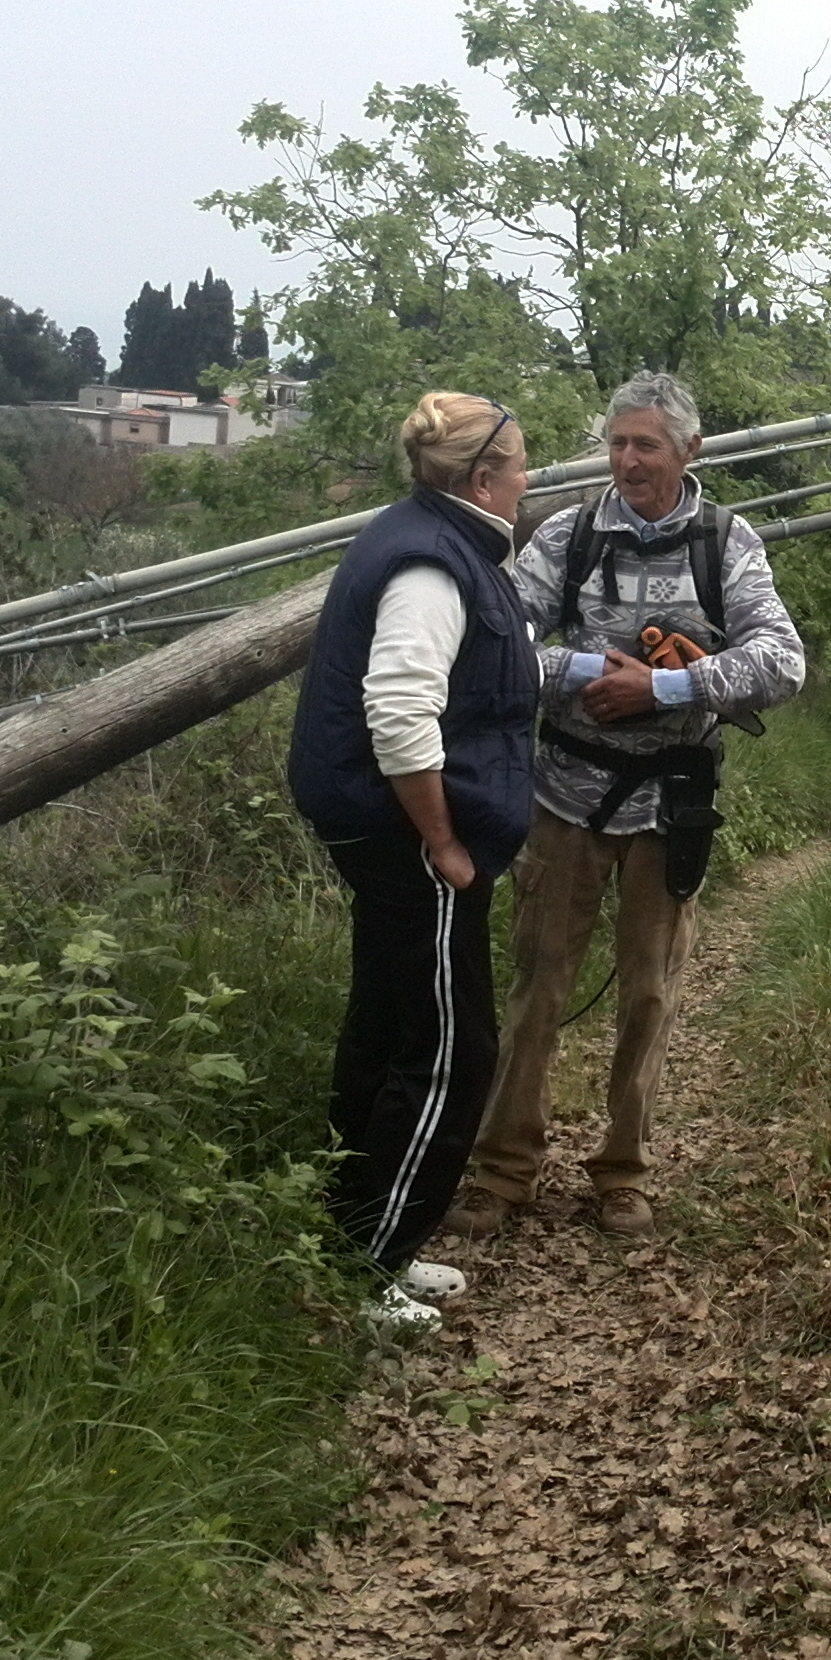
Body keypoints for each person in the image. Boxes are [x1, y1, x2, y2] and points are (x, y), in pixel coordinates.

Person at [447, 369, 806, 1239]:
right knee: (538, 985)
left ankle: (623, 1172)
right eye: (617, 444)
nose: (629, 461)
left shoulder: (727, 544)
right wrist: (577, 671)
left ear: (690, 450)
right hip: (563, 798)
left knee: (649, 993)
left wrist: (665, 687)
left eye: (647, 445)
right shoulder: (567, 536)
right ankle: (502, 1171)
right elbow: (493, 642)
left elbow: (782, 662)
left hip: (670, 805)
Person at [285, 391, 539, 1331]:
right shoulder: (433, 565)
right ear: (484, 479)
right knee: (449, 1053)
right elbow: (399, 711)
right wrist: (442, 841)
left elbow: (470, 680)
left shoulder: (429, 539)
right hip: (409, 840)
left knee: (388, 1027)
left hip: (388, 831)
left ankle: (355, 1236)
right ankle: (370, 1266)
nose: (528, 481)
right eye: (521, 466)